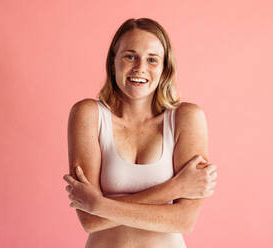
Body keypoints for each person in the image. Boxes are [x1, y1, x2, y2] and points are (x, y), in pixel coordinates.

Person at [63, 18, 218, 248]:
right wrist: (174, 188)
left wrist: (99, 204)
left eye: (152, 59)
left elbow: (184, 221)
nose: (139, 68)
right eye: (129, 56)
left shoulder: (186, 118)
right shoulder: (88, 115)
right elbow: (90, 219)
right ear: (113, 61)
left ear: (165, 67)